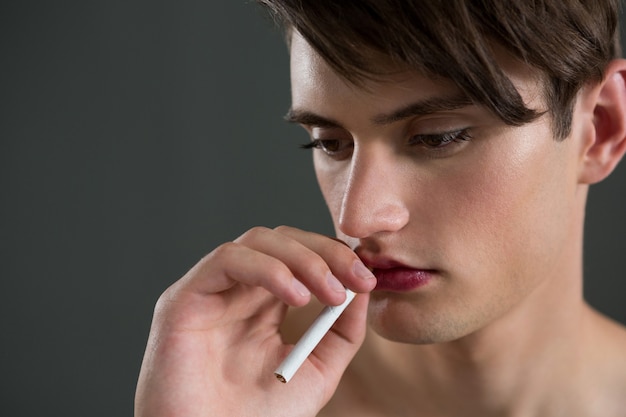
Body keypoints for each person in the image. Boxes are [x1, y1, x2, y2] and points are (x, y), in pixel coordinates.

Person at [135, 1, 626, 415]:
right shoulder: (239, 389)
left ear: (600, 128)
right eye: (330, 143)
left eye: (439, 137)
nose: (357, 218)